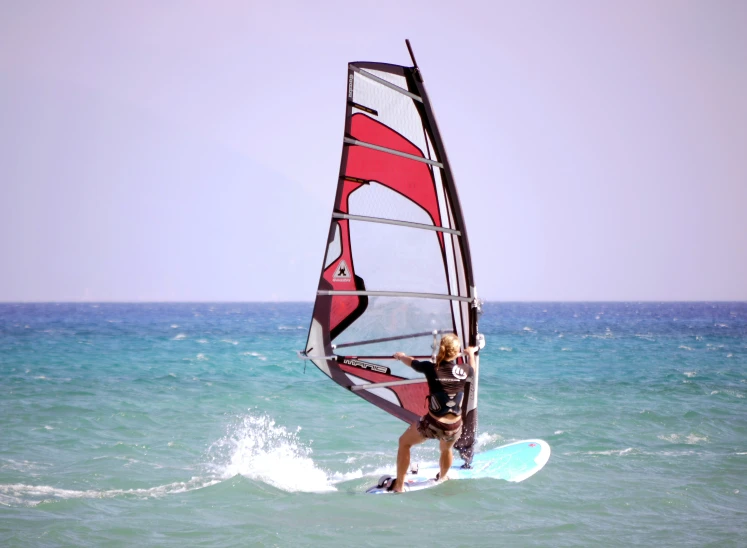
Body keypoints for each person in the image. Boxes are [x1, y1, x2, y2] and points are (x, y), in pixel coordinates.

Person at [388, 333, 478, 492]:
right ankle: (443, 477)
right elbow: (472, 368)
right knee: (446, 448)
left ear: (441, 349)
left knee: (404, 443)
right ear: (456, 352)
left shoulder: (431, 368)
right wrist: (470, 352)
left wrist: (401, 356)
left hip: (432, 424)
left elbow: (412, 362)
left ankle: (399, 486)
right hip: (454, 427)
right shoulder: (463, 371)